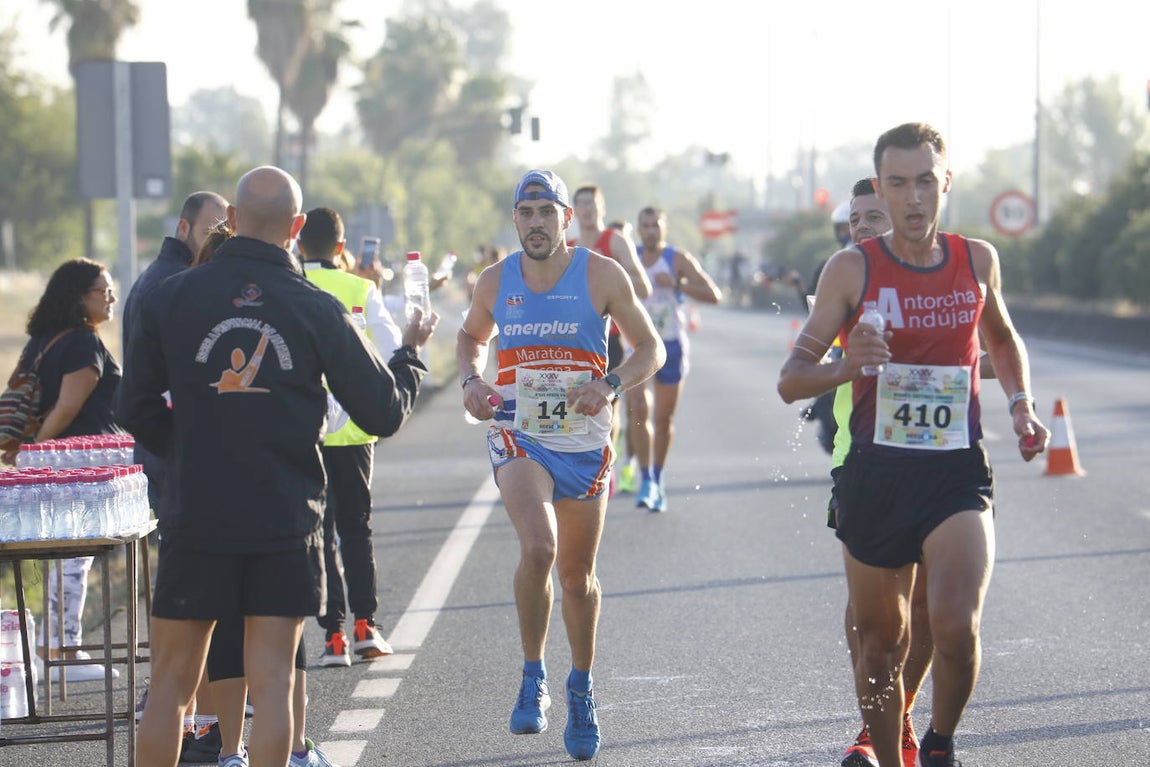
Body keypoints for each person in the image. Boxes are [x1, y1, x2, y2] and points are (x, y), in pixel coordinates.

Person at [118, 165, 438, 767]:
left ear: (231, 221)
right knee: (272, 689)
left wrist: (192, 450)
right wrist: (411, 356)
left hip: (197, 512)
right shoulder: (316, 307)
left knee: (170, 686)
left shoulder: (169, 297)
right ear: (295, 227)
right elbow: (383, 411)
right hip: (286, 516)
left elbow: (132, 404)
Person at [777, 122, 1049, 767]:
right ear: (879, 189)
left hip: (955, 471)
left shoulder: (977, 259)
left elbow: (1003, 342)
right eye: (898, 183)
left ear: (945, 183)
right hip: (875, 471)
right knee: (881, 644)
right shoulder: (851, 269)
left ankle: (941, 743)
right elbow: (792, 380)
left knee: (955, 627)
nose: (913, 197)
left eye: (926, 180)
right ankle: (886, 748)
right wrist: (847, 364)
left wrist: (1021, 406)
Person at [456, 169, 664, 761]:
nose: (537, 223)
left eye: (548, 212)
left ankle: (581, 686)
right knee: (539, 549)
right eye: (526, 213)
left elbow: (652, 347)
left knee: (577, 578)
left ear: (566, 219)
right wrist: (473, 379)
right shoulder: (496, 280)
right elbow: (470, 337)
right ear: (515, 220)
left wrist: (611, 384)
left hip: (586, 439)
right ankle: (531, 676)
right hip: (520, 432)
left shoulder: (601, 273)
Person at [121, 191, 230, 762]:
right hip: (177, 467)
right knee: (191, 621)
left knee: (189, 617)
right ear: (185, 227)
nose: (219, 240)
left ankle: (201, 724)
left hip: (174, 459)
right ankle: (201, 728)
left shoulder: (171, 279)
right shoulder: (169, 285)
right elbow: (138, 395)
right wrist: (183, 447)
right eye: (212, 229)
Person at [297, 207, 402, 666]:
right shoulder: (361, 289)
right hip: (355, 430)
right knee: (356, 530)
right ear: (342, 248)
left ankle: (331, 639)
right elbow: (394, 348)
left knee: (318, 533)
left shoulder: (292, 285)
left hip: (304, 429)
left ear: (299, 245)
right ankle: (365, 628)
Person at [20, 258, 125, 682]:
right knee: (74, 558)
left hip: (52, 461)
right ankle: (63, 650)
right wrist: (44, 448)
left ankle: (55, 644)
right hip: (78, 463)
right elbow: (68, 406)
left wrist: (28, 451)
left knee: (63, 558)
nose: (111, 297)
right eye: (104, 290)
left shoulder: (41, 340)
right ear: (80, 297)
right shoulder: (82, 343)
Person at [627, 206, 722, 512]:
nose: (650, 231)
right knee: (638, 408)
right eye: (645, 225)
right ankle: (644, 479)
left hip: (670, 345)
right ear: (638, 229)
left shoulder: (677, 259)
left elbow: (713, 294)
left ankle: (657, 477)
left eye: (655, 225)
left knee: (663, 418)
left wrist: (678, 285)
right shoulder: (630, 259)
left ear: (663, 228)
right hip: (637, 345)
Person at [570, 185, 652, 497]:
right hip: (577, 340)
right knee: (578, 408)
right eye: (582, 204)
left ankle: (608, 467)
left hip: (612, 340)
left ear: (601, 207)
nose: (588, 209)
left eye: (592, 203)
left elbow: (642, 287)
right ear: (573, 211)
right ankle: (581, 466)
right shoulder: (570, 246)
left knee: (607, 408)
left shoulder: (614, 241)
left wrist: (609, 278)